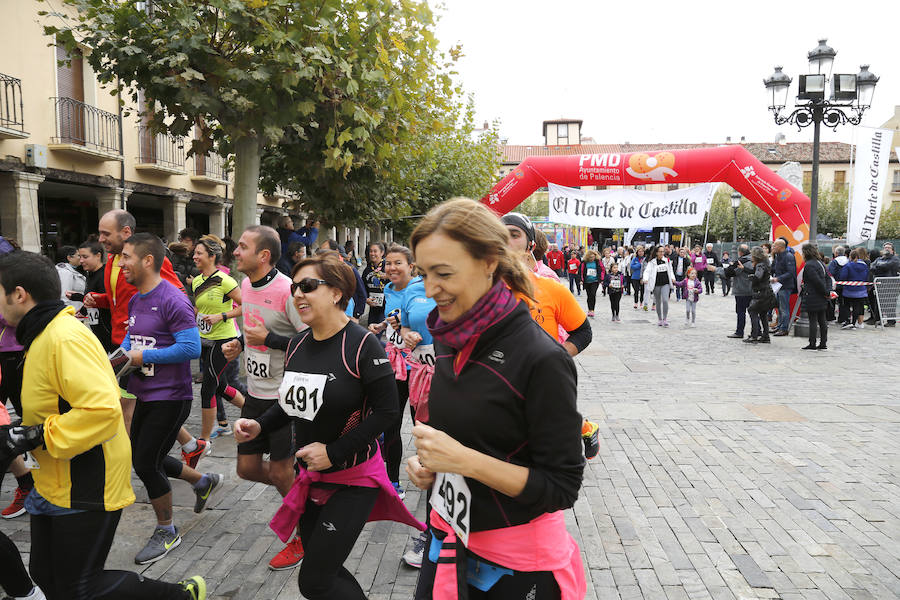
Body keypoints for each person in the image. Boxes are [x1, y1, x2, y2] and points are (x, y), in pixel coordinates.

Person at [0, 250, 207, 600]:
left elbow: (102, 411)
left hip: (87, 481)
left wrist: (28, 435)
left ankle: (182, 595)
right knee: (47, 579)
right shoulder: (40, 334)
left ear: (19, 295)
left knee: (80, 586)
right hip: (54, 478)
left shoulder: (63, 337)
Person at [408, 198, 586, 599]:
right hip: (448, 537)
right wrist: (429, 465)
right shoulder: (449, 335)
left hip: (516, 563)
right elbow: (462, 433)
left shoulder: (542, 358)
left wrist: (465, 461)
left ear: (489, 261)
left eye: (443, 273)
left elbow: (562, 486)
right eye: (423, 273)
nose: (429, 289)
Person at [234, 251, 422, 599]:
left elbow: (387, 413)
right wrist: (259, 426)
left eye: (308, 286)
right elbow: (291, 403)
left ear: (336, 293)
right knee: (325, 572)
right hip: (309, 476)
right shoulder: (298, 344)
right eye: (294, 288)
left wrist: (334, 452)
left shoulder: (363, 344)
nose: (298, 295)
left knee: (314, 581)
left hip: (354, 479)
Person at [118, 234, 223, 565]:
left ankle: (167, 530)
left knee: (146, 462)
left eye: (125, 257)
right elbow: (130, 339)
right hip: (145, 392)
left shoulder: (173, 299)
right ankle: (203, 481)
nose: (120, 264)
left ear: (147, 260)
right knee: (146, 456)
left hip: (171, 396)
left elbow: (191, 349)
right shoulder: (137, 299)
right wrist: (116, 358)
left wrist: (139, 357)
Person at [222, 225, 307, 570]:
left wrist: (269, 339)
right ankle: (306, 490)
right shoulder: (244, 285)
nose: (236, 252)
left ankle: (303, 535)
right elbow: (252, 326)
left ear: (264, 256)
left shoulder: (287, 289)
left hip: (285, 397)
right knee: (247, 469)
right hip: (255, 393)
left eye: (242, 247)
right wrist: (239, 343)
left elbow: (311, 343)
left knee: (282, 471)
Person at [499, 213, 599, 460]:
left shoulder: (551, 288)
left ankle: (585, 429)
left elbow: (583, 331)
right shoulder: (478, 293)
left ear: (530, 246)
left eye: (515, 235)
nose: (506, 241)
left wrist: (556, 356)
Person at [81, 210, 185, 433]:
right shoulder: (112, 259)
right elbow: (118, 300)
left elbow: (178, 295)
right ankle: (189, 445)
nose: (100, 240)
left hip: (143, 346)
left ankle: (129, 459)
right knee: (138, 406)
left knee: (128, 407)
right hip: (121, 342)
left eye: (105, 233)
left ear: (126, 232)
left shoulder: (149, 259)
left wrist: (151, 320)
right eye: (99, 234)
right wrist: (99, 300)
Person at [366, 244, 418, 497]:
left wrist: (406, 327)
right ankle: (393, 481)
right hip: (393, 364)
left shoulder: (423, 290)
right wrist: (383, 324)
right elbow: (394, 316)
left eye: (398, 263)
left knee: (422, 427)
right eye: (388, 263)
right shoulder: (387, 288)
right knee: (391, 422)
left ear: (411, 266)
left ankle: (430, 475)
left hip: (419, 367)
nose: (391, 267)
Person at [191, 235, 246, 441]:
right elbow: (198, 308)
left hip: (224, 340)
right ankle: (253, 411)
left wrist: (221, 316)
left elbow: (245, 306)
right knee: (221, 386)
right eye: (194, 253)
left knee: (208, 388)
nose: (194, 256)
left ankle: (203, 440)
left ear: (211, 256)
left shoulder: (225, 281)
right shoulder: (197, 281)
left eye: (199, 253)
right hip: (203, 339)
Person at [72, 240, 114, 351]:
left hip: (108, 332)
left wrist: (78, 298)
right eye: (79, 257)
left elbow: (105, 300)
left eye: (85, 257)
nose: (81, 261)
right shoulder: (90, 274)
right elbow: (90, 301)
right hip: (97, 332)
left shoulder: (105, 274)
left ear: (98, 256)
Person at [319, 239, 367, 320]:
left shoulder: (348, 269)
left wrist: (357, 314)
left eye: (326, 251)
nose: (323, 254)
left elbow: (361, 292)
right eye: (321, 251)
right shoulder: (319, 270)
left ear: (336, 251)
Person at [800, 244, 829, 350]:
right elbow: (827, 278)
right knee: (822, 320)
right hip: (821, 295)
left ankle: (812, 343)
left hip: (813, 294)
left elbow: (816, 281)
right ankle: (823, 342)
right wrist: (827, 292)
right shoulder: (820, 263)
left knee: (813, 319)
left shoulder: (809, 265)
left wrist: (825, 292)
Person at [745, 246, 775, 344]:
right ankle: (765, 336)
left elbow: (758, 276)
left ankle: (754, 335)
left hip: (760, 292)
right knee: (763, 314)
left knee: (752, 310)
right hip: (767, 291)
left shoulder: (760, 265)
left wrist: (752, 278)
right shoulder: (766, 262)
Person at [724, 244, 753, 339]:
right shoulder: (753, 260)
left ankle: (739, 332)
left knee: (741, 312)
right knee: (753, 312)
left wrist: (731, 266)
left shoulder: (741, 262)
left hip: (741, 289)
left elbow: (730, 272)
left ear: (740, 252)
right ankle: (758, 331)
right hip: (752, 289)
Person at [643, 245, 675, 327]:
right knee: (658, 302)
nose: (661, 253)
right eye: (660, 252)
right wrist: (645, 279)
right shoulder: (652, 262)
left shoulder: (667, 260)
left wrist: (672, 278)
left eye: (663, 251)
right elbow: (647, 271)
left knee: (665, 300)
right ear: (656, 253)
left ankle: (665, 318)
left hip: (665, 283)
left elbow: (671, 271)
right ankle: (660, 319)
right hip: (656, 284)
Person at [870, 242, 900, 326]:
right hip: (879, 284)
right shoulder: (879, 259)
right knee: (878, 302)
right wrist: (881, 267)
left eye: (889, 247)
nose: (887, 249)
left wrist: (879, 267)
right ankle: (878, 320)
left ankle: (891, 321)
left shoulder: (895, 259)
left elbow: (888, 266)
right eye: (885, 247)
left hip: (890, 285)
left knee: (889, 303)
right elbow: (872, 267)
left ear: (893, 250)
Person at [771, 239, 797, 336]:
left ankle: (784, 328)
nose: (773, 248)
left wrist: (778, 278)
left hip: (785, 286)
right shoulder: (778, 256)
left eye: (775, 246)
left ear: (781, 247)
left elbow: (791, 272)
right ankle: (779, 326)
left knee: (784, 308)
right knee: (780, 307)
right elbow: (775, 269)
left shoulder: (788, 256)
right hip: (779, 286)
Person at [361, 241, 389, 330]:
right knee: (371, 332)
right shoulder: (367, 269)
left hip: (387, 307)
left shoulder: (388, 266)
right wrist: (366, 299)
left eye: (375, 251)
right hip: (374, 307)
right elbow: (363, 287)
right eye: (371, 251)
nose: (372, 254)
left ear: (382, 253)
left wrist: (389, 276)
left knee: (377, 333)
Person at [840, 249, 869, 330]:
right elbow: (867, 277)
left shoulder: (848, 265)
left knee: (846, 306)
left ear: (850, 257)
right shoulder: (865, 266)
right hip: (861, 290)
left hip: (848, 290)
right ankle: (853, 323)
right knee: (857, 307)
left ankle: (848, 321)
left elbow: (843, 277)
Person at [581, 249, 602, 317]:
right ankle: (589, 309)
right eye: (590, 257)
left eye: (593, 257)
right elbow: (581, 271)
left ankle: (592, 310)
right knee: (589, 295)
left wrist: (601, 278)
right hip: (587, 281)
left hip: (595, 281)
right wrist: (581, 280)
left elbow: (602, 269)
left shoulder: (597, 262)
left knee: (593, 294)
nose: (592, 258)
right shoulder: (584, 262)